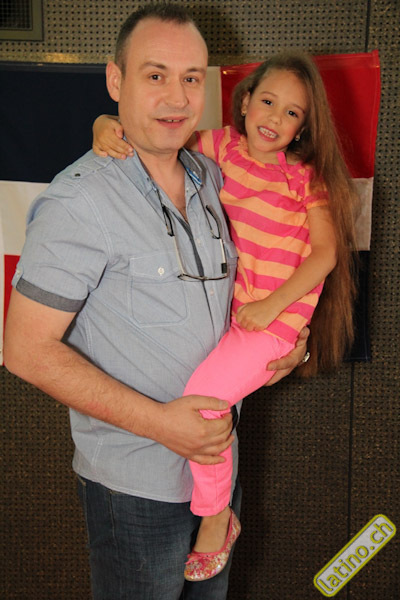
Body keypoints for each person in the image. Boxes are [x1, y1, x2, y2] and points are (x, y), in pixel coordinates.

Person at [3, 5, 309, 600]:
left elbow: (276, 263)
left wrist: (291, 347)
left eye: (191, 77)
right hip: (135, 489)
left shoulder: (211, 175)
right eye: (154, 75)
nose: (176, 97)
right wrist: (164, 426)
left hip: (217, 467)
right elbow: (25, 351)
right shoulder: (78, 202)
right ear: (115, 80)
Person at [92, 51, 359, 582]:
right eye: (268, 101)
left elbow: (326, 254)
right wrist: (105, 123)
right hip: (225, 314)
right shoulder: (217, 146)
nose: (275, 119)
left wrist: (272, 307)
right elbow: (154, 137)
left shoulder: (306, 178)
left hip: (272, 322)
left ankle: (217, 516)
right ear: (245, 100)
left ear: (304, 127)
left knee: (206, 400)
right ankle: (211, 500)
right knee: (206, 399)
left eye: (292, 113)